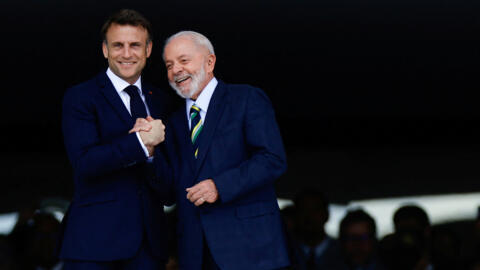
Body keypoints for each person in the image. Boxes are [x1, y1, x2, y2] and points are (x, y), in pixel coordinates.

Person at [135, 30, 291, 269]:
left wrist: (220, 186)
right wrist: (148, 150)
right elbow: (168, 193)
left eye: (183, 60)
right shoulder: (174, 122)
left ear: (210, 62)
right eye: (169, 65)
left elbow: (272, 159)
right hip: (195, 252)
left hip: (249, 247)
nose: (176, 70)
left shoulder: (246, 99)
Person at [60, 9, 172, 269]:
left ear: (148, 49)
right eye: (117, 45)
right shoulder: (81, 97)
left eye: (135, 45)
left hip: (148, 246)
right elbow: (84, 163)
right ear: (105, 50)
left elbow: (168, 189)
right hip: (93, 243)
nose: (126, 53)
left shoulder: (162, 100)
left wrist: (152, 154)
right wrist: (140, 144)